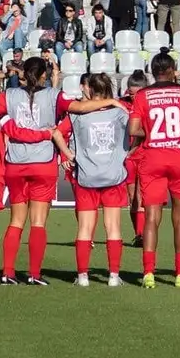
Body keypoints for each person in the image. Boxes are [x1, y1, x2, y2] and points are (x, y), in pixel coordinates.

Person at [0, 57, 64, 286]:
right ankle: (34, 274)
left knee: (16, 220)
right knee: (38, 222)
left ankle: (8, 272)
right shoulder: (54, 95)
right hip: (43, 162)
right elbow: (78, 109)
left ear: (23, 74)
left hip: (15, 165)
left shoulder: (8, 96)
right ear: (44, 76)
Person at [50, 73, 130, 287]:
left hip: (86, 176)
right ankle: (113, 276)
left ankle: (83, 276)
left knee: (85, 227)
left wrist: (67, 153)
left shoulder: (77, 114)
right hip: (113, 176)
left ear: (90, 90)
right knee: (113, 226)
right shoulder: (120, 112)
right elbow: (138, 132)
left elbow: (56, 133)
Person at [129, 51, 180, 288]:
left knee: (151, 218)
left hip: (153, 158)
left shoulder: (144, 94)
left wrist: (151, 133)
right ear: (171, 69)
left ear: (153, 71)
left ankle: (148, 273)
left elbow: (132, 128)